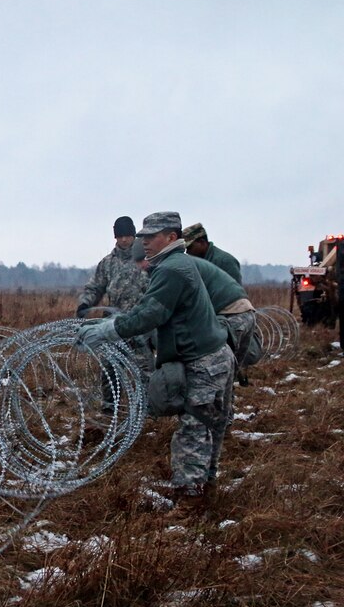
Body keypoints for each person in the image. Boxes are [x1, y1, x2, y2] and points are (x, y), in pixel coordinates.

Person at [78, 212, 234, 500]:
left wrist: (109, 331)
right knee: (209, 426)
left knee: (194, 428)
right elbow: (147, 307)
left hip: (203, 361)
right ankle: (204, 487)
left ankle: (190, 497)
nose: (144, 242)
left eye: (151, 237)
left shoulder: (171, 269)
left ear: (171, 238)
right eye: (143, 237)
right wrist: (109, 323)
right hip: (211, 356)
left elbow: (152, 312)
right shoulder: (174, 264)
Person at [133, 238, 257, 386]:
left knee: (210, 376)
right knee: (222, 377)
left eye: (143, 260)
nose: (141, 266)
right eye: (137, 261)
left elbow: (159, 311)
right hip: (241, 312)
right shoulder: (176, 263)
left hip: (231, 315)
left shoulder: (170, 268)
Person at [75, 216, 148, 317]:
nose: (124, 239)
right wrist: (84, 304)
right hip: (113, 321)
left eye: (127, 236)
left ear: (133, 235)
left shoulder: (146, 259)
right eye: (120, 236)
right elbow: (94, 288)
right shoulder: (107, 263)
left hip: (143, 319)